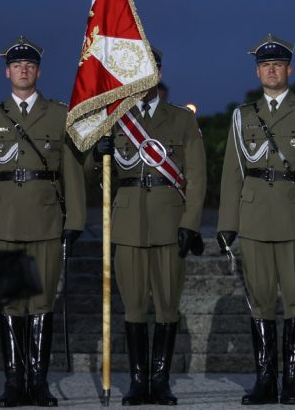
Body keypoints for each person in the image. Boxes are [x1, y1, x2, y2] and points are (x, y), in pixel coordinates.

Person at [217, 34, 295, 405]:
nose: (272, 71)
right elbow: (233, 173)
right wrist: (227, 224)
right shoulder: (243, 115)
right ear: (257, 72)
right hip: (253, 218)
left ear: (289, 70)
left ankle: (291, 381)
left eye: (278, 65)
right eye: (266, 66)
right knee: (260, 302)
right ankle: (265, 380)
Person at [87, 48, 207, 405]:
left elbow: (197, 177)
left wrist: (190, 223)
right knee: (134, 307)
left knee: (168, 306)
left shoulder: (182, 119)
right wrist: (97, 154)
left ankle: (161, 380)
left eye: (150, 69)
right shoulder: (115, 118)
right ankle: (139, 381)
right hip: (128, 224)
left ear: (158, 73)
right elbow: (92, 176)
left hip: (170, 222)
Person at [0, 36, 86, 407]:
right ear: (7, 72)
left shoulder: (60, 114)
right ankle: (14, 384)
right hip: (4, 221)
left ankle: (38, 384)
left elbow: (71, 171)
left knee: (41, 303)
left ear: (38, 72)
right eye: (16, 65)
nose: (23, 70)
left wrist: (75, 220)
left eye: (29, 65)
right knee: (10, 304)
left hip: (46, 220)